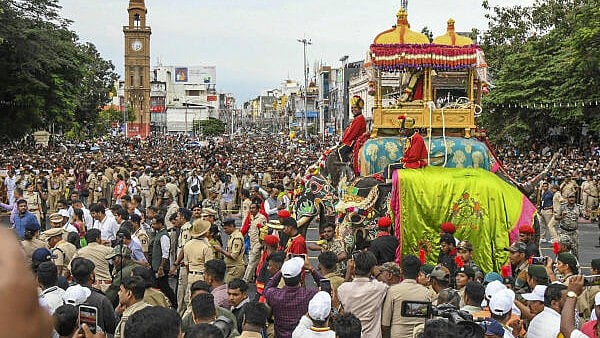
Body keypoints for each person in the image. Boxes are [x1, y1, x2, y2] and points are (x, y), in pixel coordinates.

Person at [264, 256, 324, 338]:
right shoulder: (310, 294)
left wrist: (283, 269)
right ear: (300, 277)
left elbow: (268, 286)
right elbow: (325, 287)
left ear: (283, 277)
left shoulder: (274, 294)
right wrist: (311, 269)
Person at [338, 251, 388, 337]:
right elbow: (386, 284)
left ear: (354, 267)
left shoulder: (343, 289)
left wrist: (348, 272)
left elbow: (342, 286)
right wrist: (377, 272)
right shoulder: (378, 288)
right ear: (372, 269)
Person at [382, 255, 431, 338]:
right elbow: (428, 320)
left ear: (401, 271)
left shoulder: (393, 291)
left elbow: (385, 324)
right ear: (419, 273)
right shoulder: (426, 292)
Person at [150, 214, 177, 308]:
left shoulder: (164, 236)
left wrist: (161, 267)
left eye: (154, 224)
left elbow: (165, 254)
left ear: (160, 224)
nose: (152, 226)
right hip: (156, 266)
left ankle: (174, 303)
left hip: (161, 268)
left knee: (164, 287)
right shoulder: (158, 234)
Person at [338, 95, 367, 162]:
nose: (353, 109)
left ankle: (346, 168)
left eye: (355, 107)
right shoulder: (357, 118)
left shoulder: (359, 119)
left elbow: (352, 134)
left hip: (356, 141)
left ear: (360, 108)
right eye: (352, 108)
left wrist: (343, 141)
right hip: (353, 140)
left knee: (341, 151)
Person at [216, 218, 246, 282]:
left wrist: (221, 250)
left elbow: (233, 256)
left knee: (228, 287)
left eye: (226, 228)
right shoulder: (232, 236)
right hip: (232, 267)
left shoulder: (237, 238)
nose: (224, 231)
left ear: (232, 226)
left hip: (236, 268)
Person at [243, 202, 267, 283]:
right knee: (255, 262)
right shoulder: (252, 218)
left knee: (251, 263)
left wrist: (261, 244)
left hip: (258, 244)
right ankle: (256, 278)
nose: (251, 210)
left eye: (253, 208)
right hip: (252, 243)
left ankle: (245, 281)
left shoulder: (261, 218)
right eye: (250, 208)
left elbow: (264, 232)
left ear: (258, 209)